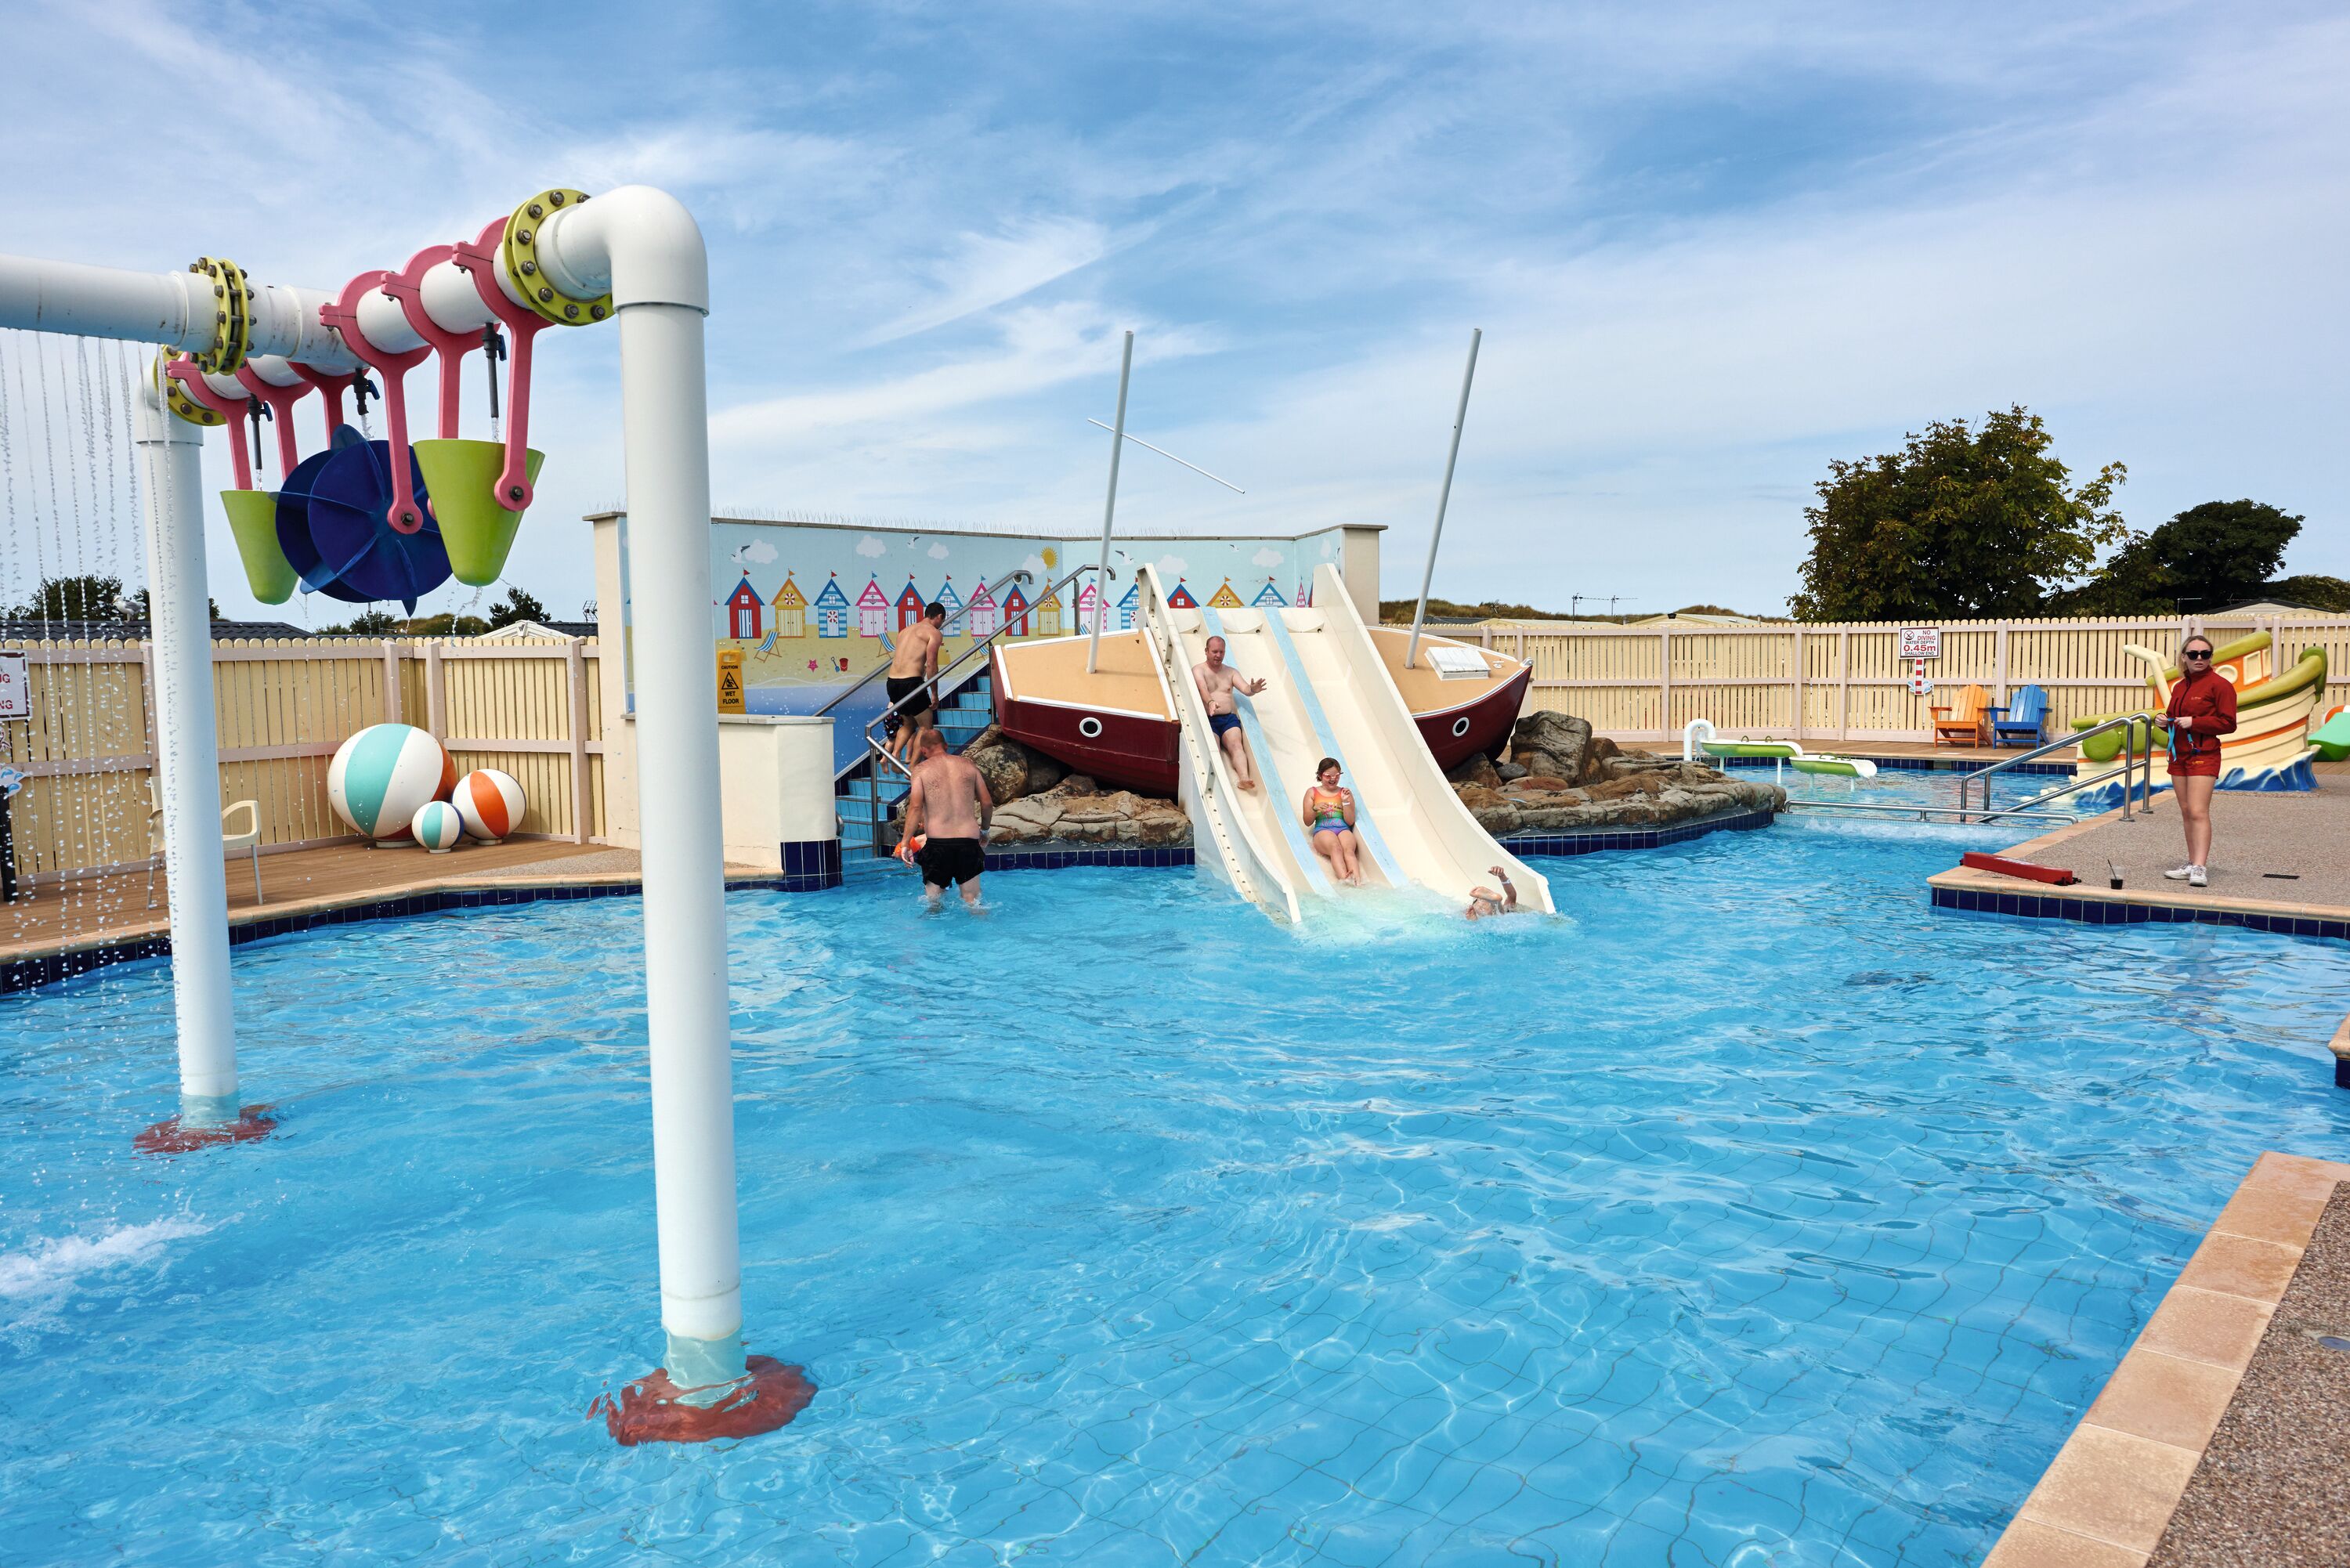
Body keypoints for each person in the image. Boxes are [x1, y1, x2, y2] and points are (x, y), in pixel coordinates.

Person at [2161, 633, 2236, 889]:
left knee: (2198, 811)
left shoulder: (2221, 685)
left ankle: (2200, 868)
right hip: (2179, 755)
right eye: (2194, 654)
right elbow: (2174, 718)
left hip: (2204, 755)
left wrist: (2195, 722)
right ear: (2184, 657)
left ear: (2210, 657)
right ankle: (2192, 863)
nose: (2200, 658)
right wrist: (2165, 721)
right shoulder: (2180, 687)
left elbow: (2229, 724)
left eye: (2205, 654)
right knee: (2185, 811)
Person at [899, 728, 993, 907]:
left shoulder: (920, 770)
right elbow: (987, 803)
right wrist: (985, 831)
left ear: (923, 750)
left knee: (934, 901)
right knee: (973, 901)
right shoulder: (968, 765)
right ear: (946, 746)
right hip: (969, 841)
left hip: (938, 844)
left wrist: (905, 842)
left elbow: (916, 807)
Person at [1191, 635, 1269, 790]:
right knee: (1214, 747)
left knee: (1236, 745)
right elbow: (1202, 689)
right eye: (1214, 651)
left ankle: (1244, 778)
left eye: (1221, 652)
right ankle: (1218, 781)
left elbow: (1246, 689)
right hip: (1209, 719)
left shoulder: (1231, 672)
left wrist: (1252, 690)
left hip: (1228, 719)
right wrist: (1210, 702)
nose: (1218, 655)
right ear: (1206, 651)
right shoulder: (1199, 670)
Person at [884, 602, 948, 768]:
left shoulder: (904, 631)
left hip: (892, 683)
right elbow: (931, 665)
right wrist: (934, 693)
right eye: (942, 620)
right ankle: (912, 767)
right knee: (926, 727)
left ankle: (895, 755)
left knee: (909, 723)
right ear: (939, 616)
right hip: (911, 683)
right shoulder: (934, 633)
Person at [1300, 757, 1364, 885]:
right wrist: (1315, 809)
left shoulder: (1344, 793)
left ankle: (1357, 882)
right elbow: (1307, 821)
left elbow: (1350, 821)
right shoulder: (1312, 792)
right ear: (1320, 775)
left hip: (1343, 828)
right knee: (1336, 848)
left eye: (1336, 776)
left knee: (1349, 851)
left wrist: (1345, 802)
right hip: (1323, 830)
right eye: (1328, 776)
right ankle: (1345, 880)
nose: (1333, 779)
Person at [1465, 865, 1532, 920]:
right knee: (1501, 913)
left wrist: (1502, 876)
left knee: (1498, 914)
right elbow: (1512, 895)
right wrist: (1502, 876)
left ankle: (1493, 905)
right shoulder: (1508, 911)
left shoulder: (1469, 912)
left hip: (1487, 924)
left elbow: (1512, 896)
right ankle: (1495, 903)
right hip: (1505, 921)